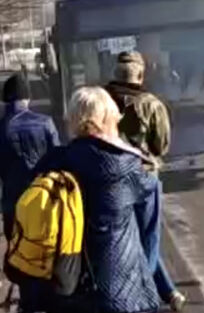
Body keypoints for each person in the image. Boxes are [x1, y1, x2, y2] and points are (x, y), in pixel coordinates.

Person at [32, 87, 163, 313]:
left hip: (66, 284)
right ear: (107, 119)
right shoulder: (126, 166)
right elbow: (149, 223)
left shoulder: (52, 162)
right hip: (122, 290)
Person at [104, 52, 186, 311]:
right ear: (140, 75)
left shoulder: (103, 101)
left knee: (126, 238)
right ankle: (145, 294)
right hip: (144, 177)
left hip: (110, 178)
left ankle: (169, 292)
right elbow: (161, 146)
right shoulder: (152, 104)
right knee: (148, 238)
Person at [0, 71, 60, 309]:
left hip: (12, 201)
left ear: (6, 99)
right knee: (48, 245)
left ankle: (28, 300)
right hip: (44, 199)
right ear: (27, 98)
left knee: (19, 251)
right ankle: (50, 296)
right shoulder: (45, 123)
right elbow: (58, 157)